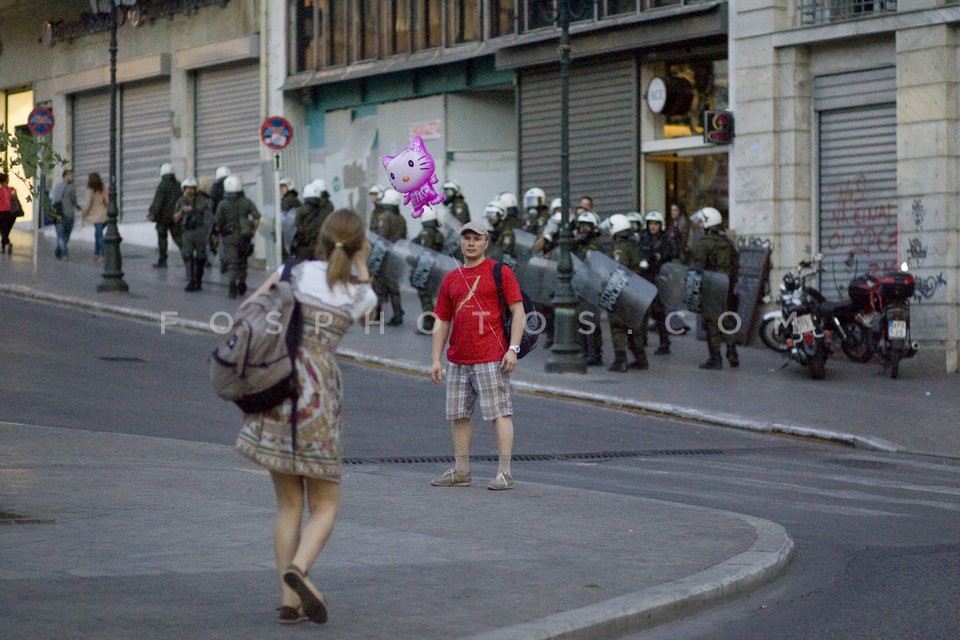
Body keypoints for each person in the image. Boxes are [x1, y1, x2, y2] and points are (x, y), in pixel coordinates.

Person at [235, 209, 377, 626]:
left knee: (288, 505)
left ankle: (287, 600)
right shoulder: (358, 292)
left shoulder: (292, 271)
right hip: (320, 398)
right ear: (357, 246)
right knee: (326, 503)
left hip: (279, 387)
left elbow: (248, 308)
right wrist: (362, 264)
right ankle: (300, 566)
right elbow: (370, 315)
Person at [429, 220, 524, 491]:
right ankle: (461, 471)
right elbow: (442, 319)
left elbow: (518, 311)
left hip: (491, 356)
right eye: (466, 238)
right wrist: (436, 358)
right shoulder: (451, 278)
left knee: (500, 413)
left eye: (476, 238)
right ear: (460, 243)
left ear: (486, 243)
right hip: (458, 358)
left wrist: (513, 349)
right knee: (458, 416)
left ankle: (504, 473)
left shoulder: (499, 271)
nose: (470, 243)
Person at [690, 206, 740, 370]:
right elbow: (736, 264)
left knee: (712, 323)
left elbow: (697, 267)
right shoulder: (728, 243)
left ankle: (715, 358)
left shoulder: (704, 244)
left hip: (711, 287)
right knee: (727, 319)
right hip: (727, 286)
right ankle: (732, 350)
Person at [606, 214, 648, 372]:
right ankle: (640, 358)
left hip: (621, 291)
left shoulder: (620, 247)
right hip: (634, 290)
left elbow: (619, 268)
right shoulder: (634, 245)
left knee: (618, 326)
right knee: (632, 327)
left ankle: (620, 360)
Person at [214, 175, 261, 298]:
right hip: (244, 237)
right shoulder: (246, 202)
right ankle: (242, 283)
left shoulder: (222, 204)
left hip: (229, 237)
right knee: (243, 262)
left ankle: (232, 288)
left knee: (232, 263)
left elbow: (217, 224)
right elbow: (257, 217)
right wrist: (253, 231)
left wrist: (215, 235)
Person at [638, 210, 677, 355]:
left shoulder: (666, 239)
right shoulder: (643, 238)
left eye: (656, 224)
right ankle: (641, 340)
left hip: (659, 277)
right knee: (642, 310)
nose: (653, 227)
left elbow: (673, 254)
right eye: (651, 224)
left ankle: (664, 342)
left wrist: (661, 256)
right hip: (645, 276)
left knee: (659, 312)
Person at [371, 187, 407, 325]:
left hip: (384, 256)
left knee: (378, 285)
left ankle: (377, 315)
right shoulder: (401, 219)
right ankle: (398, 313)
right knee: (394, 287)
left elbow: (382, 237)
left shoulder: (384, 216)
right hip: (396, 255)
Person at [573, 210, 604, 366]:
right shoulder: (577, 243)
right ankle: (584, 351)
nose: (585, 229)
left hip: (593, 285)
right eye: (582, 226)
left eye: (588, 226)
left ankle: (595, 353)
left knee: (591, 320)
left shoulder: (598, 244)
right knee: (580, 319)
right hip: (580, 284)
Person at [174, 177, 213, 292]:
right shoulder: (181, 201)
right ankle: (191, 280)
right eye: (187, 189)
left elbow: (209, 214)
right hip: (187, 231)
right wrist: (182, 211)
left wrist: (195, 209)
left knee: (201, 257)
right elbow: (175, 218)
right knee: (188, 255)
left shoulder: (203, 200)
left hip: (200, 230)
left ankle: (198, 280)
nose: (190, 191)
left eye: (192, 189)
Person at [411, 205, 445, 333]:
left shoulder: (426, 233)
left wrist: (413, 260)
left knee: (425, 295)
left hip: (427, 268)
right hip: (434, 267)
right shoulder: (437, 232)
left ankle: (429, 322)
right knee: (430, 295)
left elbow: (423, 251)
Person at [147, 162, 183, 268]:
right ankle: (188, 255)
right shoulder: (179, 185)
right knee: (178, 237)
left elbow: (158, 202)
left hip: (163, 218)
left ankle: (162, 260)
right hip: (176, 216)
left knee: (162, 238)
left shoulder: (162, 186)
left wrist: (152, 213)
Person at [291, 182, 333, 259]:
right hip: (319, 245)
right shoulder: (323, 209)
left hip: (304, 247)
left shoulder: (300, 210)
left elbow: (296, 226)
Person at [80, 172, 108, 263]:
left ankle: (102, 255)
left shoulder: (90, 190)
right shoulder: (102, 187)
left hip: (96, 215)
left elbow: (88, 204)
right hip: (104, 213)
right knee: (97, 233)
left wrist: (84, 214)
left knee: (99, 235)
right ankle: (97, 252)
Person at [51, 169, 78, 260]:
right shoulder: (71, 187)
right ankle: (65, 253)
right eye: (71, 176)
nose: (73, 178)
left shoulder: (56, 187)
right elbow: (74, 200)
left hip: (57, 214)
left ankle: (59, 251)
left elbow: (53, 200)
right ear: (66, 176)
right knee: (65, 235)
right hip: (68, 214)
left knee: (60, 234)